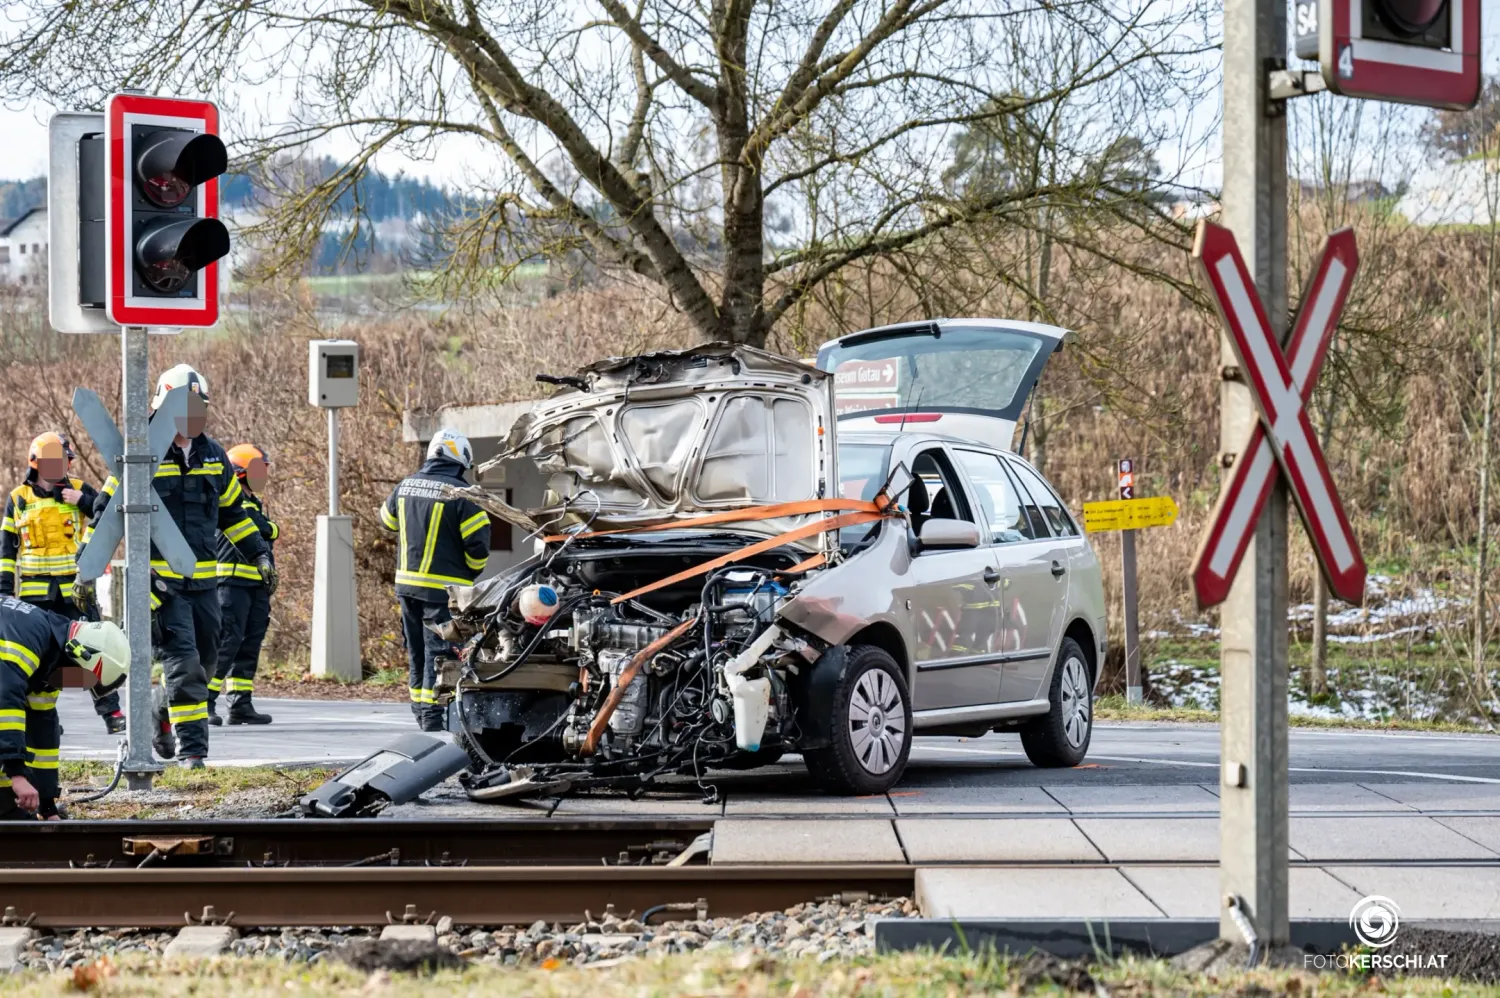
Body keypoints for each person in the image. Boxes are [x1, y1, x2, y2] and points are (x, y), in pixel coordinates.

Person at [82, 364, 274, 769]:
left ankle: (159, 709)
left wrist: (259, 554)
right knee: (183, 664)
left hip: (205, 585)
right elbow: (104, 517)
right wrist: (84, 569)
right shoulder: (139, 456)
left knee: (205, 664)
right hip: (159, 587)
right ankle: (193, 752)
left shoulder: (212, 455)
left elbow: (232, 514)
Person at [0, 432, 125, 734]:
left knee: (94, 650)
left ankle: (112, 714)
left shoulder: (80, 490)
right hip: (33, 597)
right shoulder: (18, 498)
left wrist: (83, 501)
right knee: (37, 661)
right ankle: (42, 720)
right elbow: (7, 550)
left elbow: (109, 516)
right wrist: (4, 592)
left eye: (64, 462)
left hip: (75, 592)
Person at [380, 429, 490, 731]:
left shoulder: (405, 486)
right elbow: (478, 548)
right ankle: (432, 715)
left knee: (416, 651)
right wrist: (468, 575)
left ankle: (419, 708)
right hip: (441, 591)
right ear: (460, 460)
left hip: (406, 586)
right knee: (438, 653)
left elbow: (387, 522)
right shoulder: (462, 495)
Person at [0, 596, 130, 820]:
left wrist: (47, 804)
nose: (77, 685)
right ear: (81, 657)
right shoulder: (29, 639)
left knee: (13, 810)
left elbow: (43, 737)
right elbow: (5, 703)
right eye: (84, 680)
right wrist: (17, 775)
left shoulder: (51, 656)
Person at [209, 443, 278, 726]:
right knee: (227, 642)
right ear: (240, 473)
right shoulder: (234, 504)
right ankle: (205, 701)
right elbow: (265, 530)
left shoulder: (252, 503)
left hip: (254, 586)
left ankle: (240, 703)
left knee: (249, 643)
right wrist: (270, 528)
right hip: (231, 584)